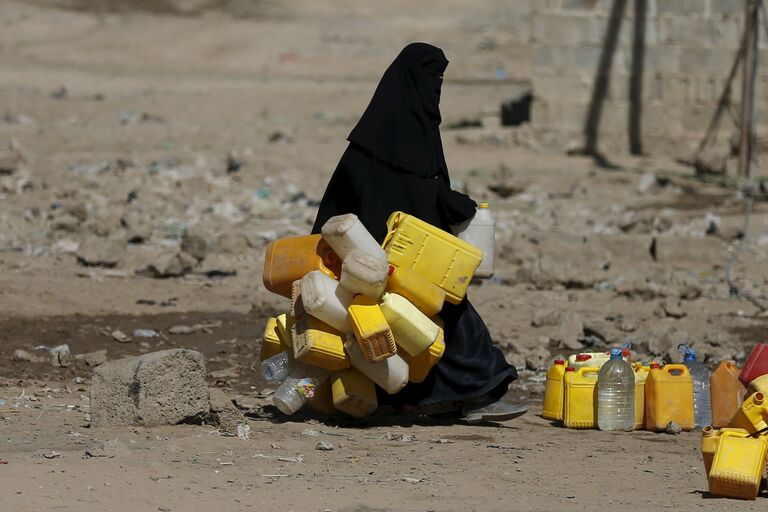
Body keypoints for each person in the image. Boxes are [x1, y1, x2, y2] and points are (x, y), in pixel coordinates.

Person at [311, 42, 526, 423]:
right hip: (389, 259)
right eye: (433, 78)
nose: (436, 87)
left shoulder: (384, 132)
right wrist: (457, 205)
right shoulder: (402, 134)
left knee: (408, 331)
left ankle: (427, 402)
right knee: (454, 320)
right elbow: (417, 196)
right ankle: (478, 397)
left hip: (381, 256)